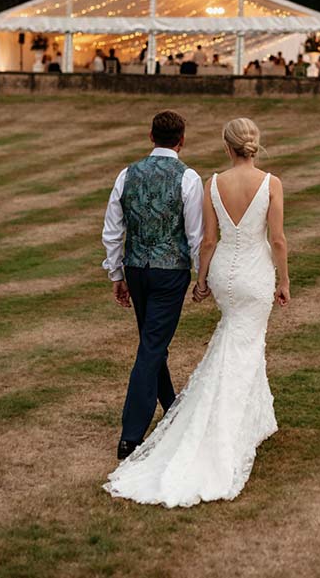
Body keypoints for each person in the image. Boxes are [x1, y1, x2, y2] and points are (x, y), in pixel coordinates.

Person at [104, 117, 290, 508]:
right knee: (169, 346)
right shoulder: (232, 181)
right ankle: (151, 433)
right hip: (221, 274)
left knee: (163, 344)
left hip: (177, 271)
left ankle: (186, 411)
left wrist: (201, 279)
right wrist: (281, 280)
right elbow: (260, 238)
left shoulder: (191, 180)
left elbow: (202, 240)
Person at [101, 111, 204, 463]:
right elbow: (196, 234)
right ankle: (131, 435)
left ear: (151, 136)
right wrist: (200, 275)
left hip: (136, 269)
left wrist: (117, 274)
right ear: (182, 139)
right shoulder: (188, 177)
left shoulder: (127, 173)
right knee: (151, 347)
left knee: (152, 343)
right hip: (169, 272)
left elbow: (113, 229)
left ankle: (171, 408)